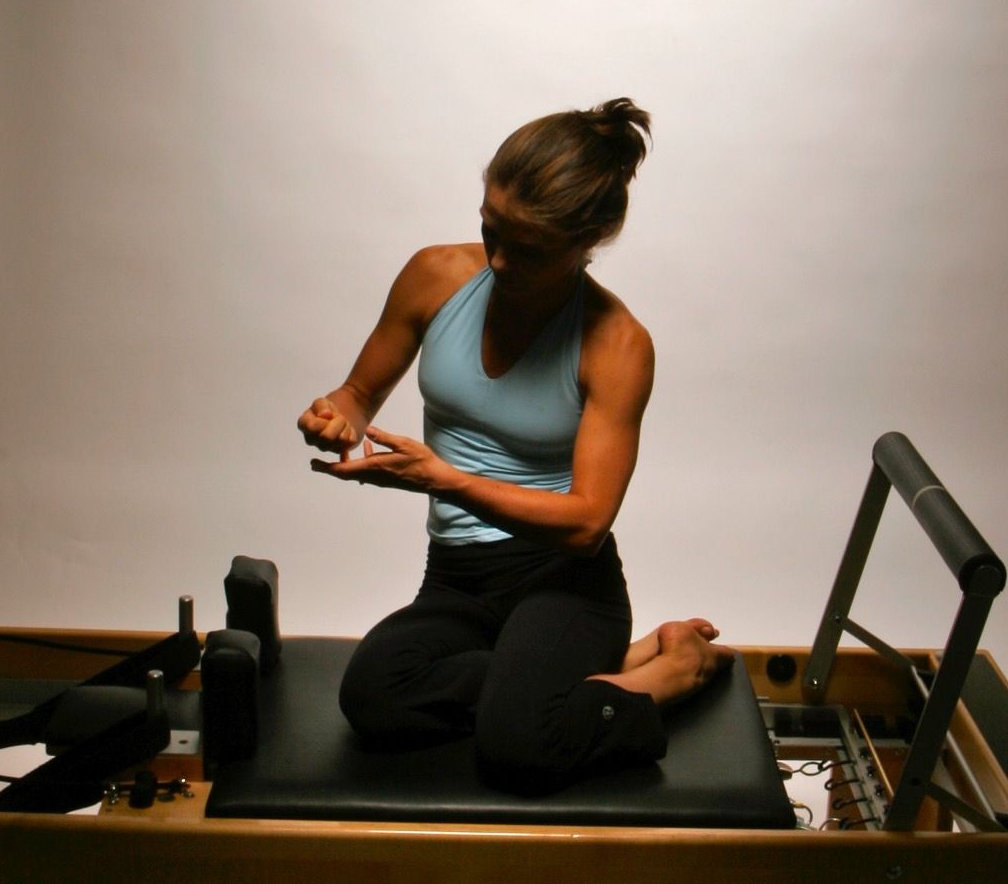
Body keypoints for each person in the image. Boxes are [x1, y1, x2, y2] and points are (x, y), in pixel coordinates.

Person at [297, 97, 734, 793]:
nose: (498, 261)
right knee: (374, 698)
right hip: (456, 578)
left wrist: (447, 480)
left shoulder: (616, 344)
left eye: (526, 250)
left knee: (518, 746)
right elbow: (357, 392)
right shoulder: (435, 276)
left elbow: (587, 525)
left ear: (586, 240)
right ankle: (599, 671)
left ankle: (675, 672)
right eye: (489, 229)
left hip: (562, 583)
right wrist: (336, 416)